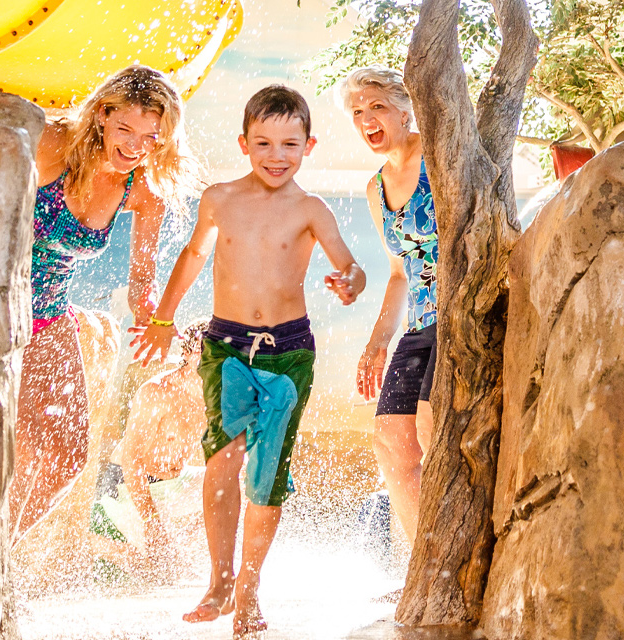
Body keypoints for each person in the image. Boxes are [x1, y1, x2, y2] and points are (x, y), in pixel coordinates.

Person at [0, 65, 200, 541]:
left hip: (48, 314)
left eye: (151, 137)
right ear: (103, 115)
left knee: (66, 455)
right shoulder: (56, 145)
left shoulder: (142, 190)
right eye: (125, 129)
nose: (134, 146)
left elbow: (141, 284)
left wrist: (156, 319)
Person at [132, 85, 366, 636]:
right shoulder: (219, 200)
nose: (276, 155)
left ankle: (249, 591)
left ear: (309, 145)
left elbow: (350, 266)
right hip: (226, 346)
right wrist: (164, 321)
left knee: (266, 478)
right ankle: (218, 579)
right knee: (223, 455)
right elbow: (192, 258)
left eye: (289, 143)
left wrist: (348, 283)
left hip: (289, 353)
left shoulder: (312, 208)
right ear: (244, 143)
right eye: (263, 143)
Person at [341, 66, 438, 548]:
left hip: (463, 314)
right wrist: (378, 341)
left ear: (405, 110)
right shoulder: (375, 188)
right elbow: (400, 272)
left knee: (430, 427)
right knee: (390, 441)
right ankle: (424, 560)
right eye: (358, 112)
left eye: (376, 106)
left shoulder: (439, 155)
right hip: (420, 324)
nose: (366, 119)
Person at [115, 319, 209, 572]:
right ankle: (154, 550)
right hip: (134, 487)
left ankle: (184, 553)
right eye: (203, 350)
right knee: (148, 568)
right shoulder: (158, 392)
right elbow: (131, 460)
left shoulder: (217, 395)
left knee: (244, 476)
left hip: (178, 482)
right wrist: (151, 520)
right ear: (188, 353)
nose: (210, 358)